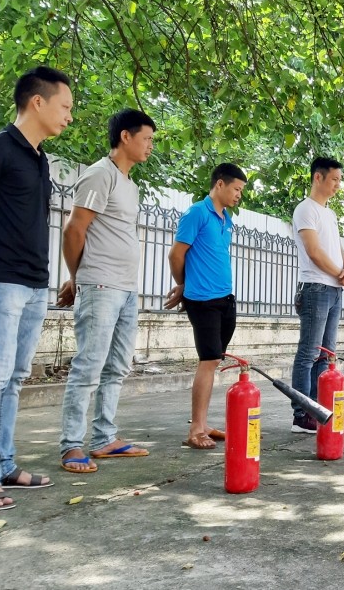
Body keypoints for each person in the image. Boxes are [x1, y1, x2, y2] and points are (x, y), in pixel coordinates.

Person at [0, 66, 73, 510]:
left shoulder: (39, 159)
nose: (69, 116)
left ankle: (3, 464)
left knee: (14, 378)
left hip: (32, 285)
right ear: (37, 102)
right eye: (65, 107)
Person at [56, 109, 156, 473]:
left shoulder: (129, 184)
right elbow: (74, 230)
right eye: (146, 138)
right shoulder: (100, 175)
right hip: (100, 284)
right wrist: (77, 277)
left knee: (116, 367)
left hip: (126, 289)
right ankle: (71, 446)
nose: (150, 146)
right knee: (89, 367)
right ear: (125, 137)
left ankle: (103, 439)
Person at [165, 163, 247, 450]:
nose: (239, 195)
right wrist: (185, 284)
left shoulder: (226, 220)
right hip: (202, 300)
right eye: (236, 189)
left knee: (214, 361)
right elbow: (176, 254)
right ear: (220, 184)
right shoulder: (197, 213)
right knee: (208, 360)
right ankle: (196, 429)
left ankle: (204, 423)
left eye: (241, 191)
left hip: (225, 299)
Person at [290, 157, 344, 433]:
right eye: (334, 180)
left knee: (326, 354)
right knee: (308, 353)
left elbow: (337, 249)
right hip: (315, 288)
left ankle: (317, 408)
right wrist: (341, 274)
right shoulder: (306, 210)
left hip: (333, 289)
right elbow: (314, 252)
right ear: (318, 177)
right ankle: (301, 414)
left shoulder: (328, 213)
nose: (338, 186)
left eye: (340, 181)